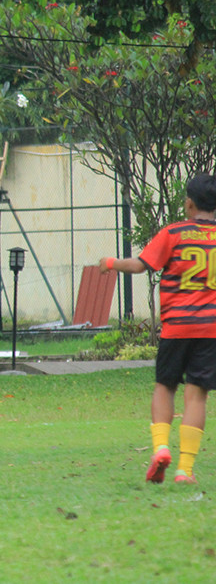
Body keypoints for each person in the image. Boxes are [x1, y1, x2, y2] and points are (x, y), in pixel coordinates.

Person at [99, 173, 216, 484]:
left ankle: (161, 448)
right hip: (210, 329)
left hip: (177, 327)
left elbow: (140, 266)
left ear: (189, 203)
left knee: (165, 386)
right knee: (197, 396)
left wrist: (110, 262)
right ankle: (185, 470)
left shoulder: (174, 233)